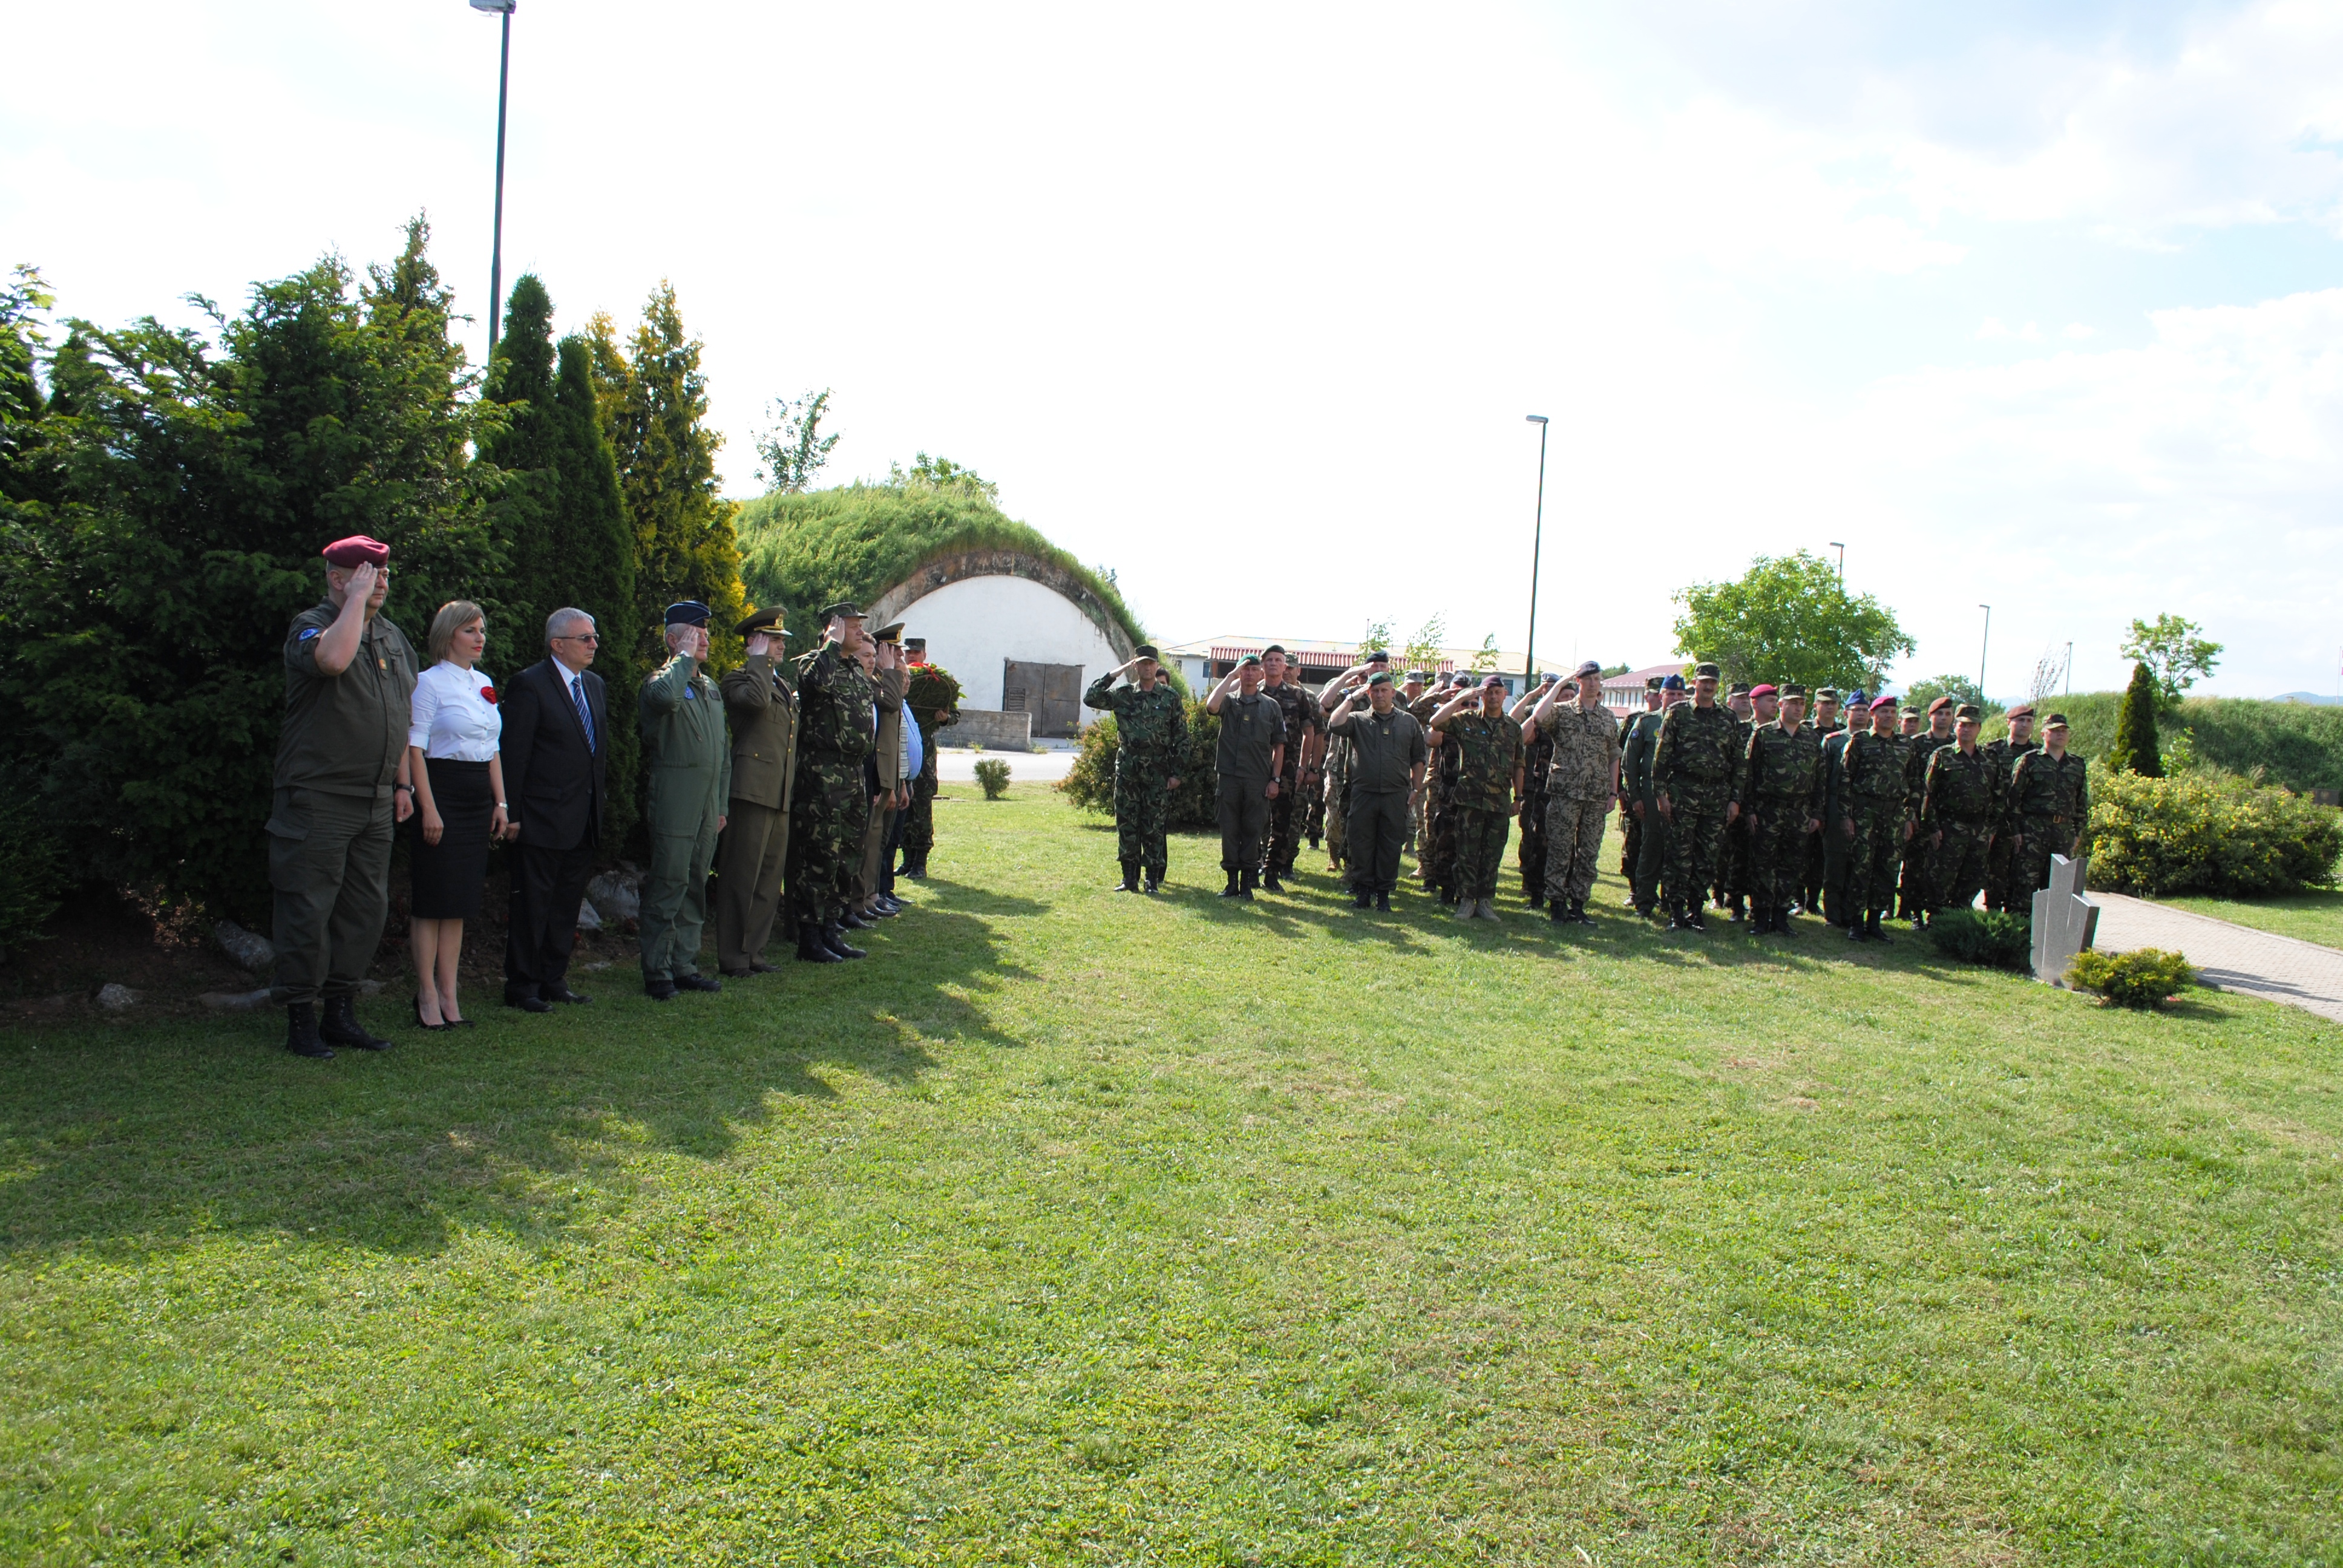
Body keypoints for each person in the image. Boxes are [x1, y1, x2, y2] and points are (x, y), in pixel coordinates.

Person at [268, 535, 418, 1058]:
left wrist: (402, 783)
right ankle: (300, 1018)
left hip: (375, 798)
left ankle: (339, 1012)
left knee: (363, 910)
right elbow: (331, 662)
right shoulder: (311, 624)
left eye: (383, 574)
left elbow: (400, 714)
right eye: (368, 573)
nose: (381, 582)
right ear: (339, 576)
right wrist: (352, 602)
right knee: (308, 907)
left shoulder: (394, 638)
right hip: (319, 796)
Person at [404, 600, 508, 1030]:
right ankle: (426, 994)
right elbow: (414, 748)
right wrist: (427, 808)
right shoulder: (427, 684)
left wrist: (500, 803)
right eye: (471, 630)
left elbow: (493, 748)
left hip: (476, 796)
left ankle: (450, 993)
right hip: (440, 789)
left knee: (460, 902)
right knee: (433, 901)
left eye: (482, 630)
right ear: (448, 635)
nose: (480, 637)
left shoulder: (484, 683)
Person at [500, 607, 609, 1014]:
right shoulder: (530, 685)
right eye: (585, 638)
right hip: (542, 818)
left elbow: (595, 755)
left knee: (566, 905)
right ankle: (522, 984)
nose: (594, 644)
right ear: (557, 644)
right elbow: (515, 754)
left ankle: (553, 978)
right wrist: (511, 811)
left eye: (594, 637)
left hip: (583, 817)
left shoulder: (595, 686)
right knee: (532, 905)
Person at [638, 602, 730, 999]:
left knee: (695, 883)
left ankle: (685, 965)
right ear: (675, 641)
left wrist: (722, 806)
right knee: (669, 883)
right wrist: (683, 660)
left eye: (705, 633)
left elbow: (723, 755)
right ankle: (657, 971)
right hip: (675, 800)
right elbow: (663, 701)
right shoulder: (662, 681)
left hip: (707, 807)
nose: (705, 639)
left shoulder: (709, 688)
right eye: (695, 634)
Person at [789, 602, 879, 959]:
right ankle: (809, 937)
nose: (859, 632)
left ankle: (831, 929)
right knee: (821, 855)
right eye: (853, 627)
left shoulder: (856, 669)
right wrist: (830, 644)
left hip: (853, 773)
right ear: (834, 628)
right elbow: (812, 685)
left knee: (848, 854)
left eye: (859, 627)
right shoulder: (815, 662)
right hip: (822, 775)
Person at [716, 605, 797, 977]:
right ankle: (733, 956)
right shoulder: (739, 680)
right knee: (741, 877)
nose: (780, 646)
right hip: (750, 791)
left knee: (768, 877)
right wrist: (759, 662)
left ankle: (755, 953)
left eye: (781, 640)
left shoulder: (777, 682)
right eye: (773, 640)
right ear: (753, 643)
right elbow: (755, 703)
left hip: (778, 792)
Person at [1083, 645, 1187, 891]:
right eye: (1142, 663)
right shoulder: (1124, 694)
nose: (1148, 667)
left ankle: (1152, 879)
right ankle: (1129, 878)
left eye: (1151, 663)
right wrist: (1114, 674)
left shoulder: (1170, 697)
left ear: (1157, 665)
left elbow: (1181, 737)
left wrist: (1177, 773)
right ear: (1136, 666)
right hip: (1128, 768)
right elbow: (1091, 698)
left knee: (1154, 825)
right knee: (1127, 823)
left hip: (1157, 770)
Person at [1323, 670, 1427, 909]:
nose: (1380, 695)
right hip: (1364, 793)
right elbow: (1334, 724)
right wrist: (1351, 698)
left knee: (1390, 845)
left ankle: (1383, 895)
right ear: (1368, 693)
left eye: (1384, 691)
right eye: (1375, 691)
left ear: (1393, 693)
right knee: (1362, 844)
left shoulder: (1408, 721)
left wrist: (1415, 789)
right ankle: (1363, 892)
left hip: (1395, 794)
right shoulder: (1358, 719)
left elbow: (1418, 758)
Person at [1528, 661, 1620, 926]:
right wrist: (1558, 685)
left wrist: (1613, 792)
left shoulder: (1607, 718)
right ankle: (1556, 903)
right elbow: (1538, 717)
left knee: (1589, 852)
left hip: (1595, 795)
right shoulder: (1563, 712)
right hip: (1565, 794)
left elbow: (1614, 755)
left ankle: (1578, 904)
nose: (1593, 683)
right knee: (1560, 849)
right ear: (1578, 682)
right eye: (1587, 679)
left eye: (1597, 679)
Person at [1653, 663, 1742, 932]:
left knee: (1707, 856)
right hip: (1683, 793)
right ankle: (1676, 911)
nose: (1708, 686)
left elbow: (1738, 763)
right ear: (1695, 682)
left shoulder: (1728, 718)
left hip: (1716, 797)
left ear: (1718, 685)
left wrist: (1735, 799)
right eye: (1704, 681)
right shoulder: (1678, 714)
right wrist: (1661, 795)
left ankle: (1696, 910)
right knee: (1679, 855)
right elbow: (1661, 758)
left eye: (1713, 682)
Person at [1430, 675, 1524, 921]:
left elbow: (1518, 765)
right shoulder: (1466, 721)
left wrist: (1519, 797)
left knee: (1492, 855)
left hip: (1499, 802)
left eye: (1497, 693)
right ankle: (1466, 901)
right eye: (1488, 693)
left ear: (1504, 695)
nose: (1493, 697)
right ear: (1481, 696)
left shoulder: (1513, 728)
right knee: (1466, 853)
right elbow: (1436, 722)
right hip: (1469, 800)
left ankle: (1485, 901)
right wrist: (1460, 698)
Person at [1741, 684, 1823, 935]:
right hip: (1768, 810)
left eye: (1802, 704)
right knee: (1763, 864)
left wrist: (1817, 813)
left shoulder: (1811, 737)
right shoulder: (1764, 734)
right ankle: (1761, 916)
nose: (1798, 708)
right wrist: (1750, 810)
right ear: (1781, 706)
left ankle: (1781, 917)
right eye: (1793, 703)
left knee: (1792, 865)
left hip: (1799, 811)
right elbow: (1749, 775)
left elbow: (1820, 778)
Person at [1205, 655, 1285, 899]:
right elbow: (1211, 706)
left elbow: (1279, 746)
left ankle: (1248, 885)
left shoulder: (1271, 707)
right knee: (1230, 831)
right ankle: (1231, 883)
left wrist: (1275, 780)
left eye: (1253, 669)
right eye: (1245, 669)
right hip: (1229, 777)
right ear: (1240, 673)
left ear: (1261, 674)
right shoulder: (1229, 701)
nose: (1249, 673)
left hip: (1257, 780)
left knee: (1252, 831)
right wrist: (1230, 675)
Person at [853, 623, 913, 923]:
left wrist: (899, 781)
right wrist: (890, 672)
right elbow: (889, 706)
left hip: (888, 777)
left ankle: (872, 895)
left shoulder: (880, 682)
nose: (891, 659)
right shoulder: (875, 684)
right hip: (874, 776)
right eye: (891, 652)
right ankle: (864, 898)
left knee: (877, 841)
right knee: (868, 842)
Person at [1922, 702, 2001, 922]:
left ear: (1979, 728)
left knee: (1974, 876)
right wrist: (1933, 827)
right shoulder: (1943, 755)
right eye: (1962, 725)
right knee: (1942, 876)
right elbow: (1929, 794)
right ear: (1955, 727)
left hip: (1978, 829)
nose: (1966, 729)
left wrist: (1992, 828)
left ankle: (1960, 916)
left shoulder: (1989, 758)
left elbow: (1999, 795)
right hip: (1949, 826)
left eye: (1972, 725)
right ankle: (1936, 919)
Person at [1838, 697, 1909, 942]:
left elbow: (1914, 783)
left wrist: (1909, 817)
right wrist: (1847, 816)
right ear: (1872, 715)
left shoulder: (1906, 745)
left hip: (1895, 814)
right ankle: (1856, 923)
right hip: (1865, 812)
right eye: (1883, 712)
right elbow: (1846, 780)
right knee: (1861, 867)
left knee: (1887, 868)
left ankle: (1875, 922)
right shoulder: (1859, 741)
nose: (1889, 716)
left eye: (1892, 712)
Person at [1256, 646, 1323, 891]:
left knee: (1282, 821)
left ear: (1286, 666)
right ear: (1263, 665)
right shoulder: (1253, 692)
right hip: (1257, 765)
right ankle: (1254, 867)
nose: (1274, 664)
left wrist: (1304, 766)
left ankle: (1273, 872)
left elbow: (1310, 732)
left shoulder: (1298, 696)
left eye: (1279, 661)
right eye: (1269, 660)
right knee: (1255, 818)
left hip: (1289, 766)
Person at [2006, 714, 2089, 900]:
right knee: (2025, 886)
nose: (2060, 734)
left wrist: (2077, 832)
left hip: (2063, 832)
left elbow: (2081, 801)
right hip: (2033, 832)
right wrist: (2016, 831)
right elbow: (2014, 800)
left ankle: (2051, 929)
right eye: (2054, 731)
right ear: (2044, 734)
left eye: (2063, 731)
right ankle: (2022, 927)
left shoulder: (2076, 764)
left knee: (2057, 888)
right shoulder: (2029, 761)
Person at [1622, 675, 1680, 916]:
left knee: (1678, 850)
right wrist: (1634, 796)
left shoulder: (1689, 722)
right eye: (1671, 694)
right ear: (1661, 696)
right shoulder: (1647, 723)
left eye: (1680, 695)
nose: (1676, 699)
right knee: (1651, 847)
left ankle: (1672, 901)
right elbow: (1630, 762)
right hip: (1650, 794)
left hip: (1682, 795)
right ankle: (1644, 901)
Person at [899, 636, 952, 879]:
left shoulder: (934, 682)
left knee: (921, 809)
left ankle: (920, 862)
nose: (912, 656)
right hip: (901, 753)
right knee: (903, 811)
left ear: (924, 655)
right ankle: (907, 860)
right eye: (908, 652)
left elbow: (953, 712)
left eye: (916, 653)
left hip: (924, 757)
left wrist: (945, 718)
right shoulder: (897, 678)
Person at [1980, 704, 2040, 911]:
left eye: (2029, 721)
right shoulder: (1994, 750)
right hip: (1999, 821)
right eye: (2020, 720)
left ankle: (2017, 914)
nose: (2025, 725)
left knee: (2022, 871)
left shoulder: (2038, 753)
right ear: (2009, 723)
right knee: (1996, 870)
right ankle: (1993, 912)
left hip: (2027, 824)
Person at [1513, 674, 1558, 907]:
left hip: (1557, 786)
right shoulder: (1535, 711)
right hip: (1532, 783)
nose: (1549, 691)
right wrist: (1532, 699)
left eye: (1554, 687)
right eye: (1546, 687)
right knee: (1530, 834)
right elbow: (1516, 729)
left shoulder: (1563, 714)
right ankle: (1527, 879)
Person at [1618, 676, 1662, 881]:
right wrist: (1619, 790)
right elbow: (1621, 757)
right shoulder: (1635, 721)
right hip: (1633, 792)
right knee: (1634, 841)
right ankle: (1634, 887)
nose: (1661, 699)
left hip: (1656, 794)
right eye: (1657, 695)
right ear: (1647, 696)